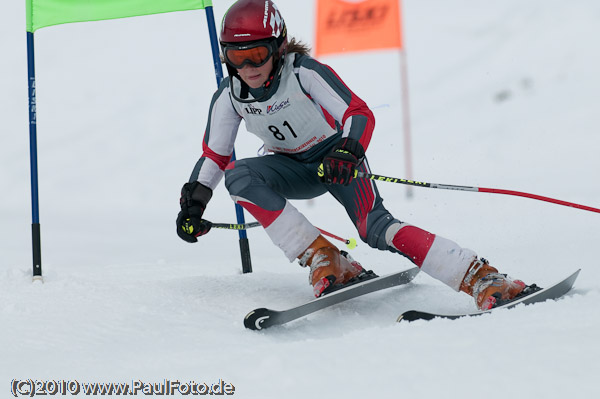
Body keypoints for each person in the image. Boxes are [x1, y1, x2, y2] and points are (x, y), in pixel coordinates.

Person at [176, 0, 530, 310]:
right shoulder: (230, 95)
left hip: (335, 160)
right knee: (239, 176)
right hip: (289, 168)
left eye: (257, 55)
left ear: (279, 47)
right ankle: (323, 256)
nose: (248, 68)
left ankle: (482, 277)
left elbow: (358, 113)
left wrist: (348, 150)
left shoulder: (303, 72)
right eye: (236, 57)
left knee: (375, 229)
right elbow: (215, 155)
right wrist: (195, 200)